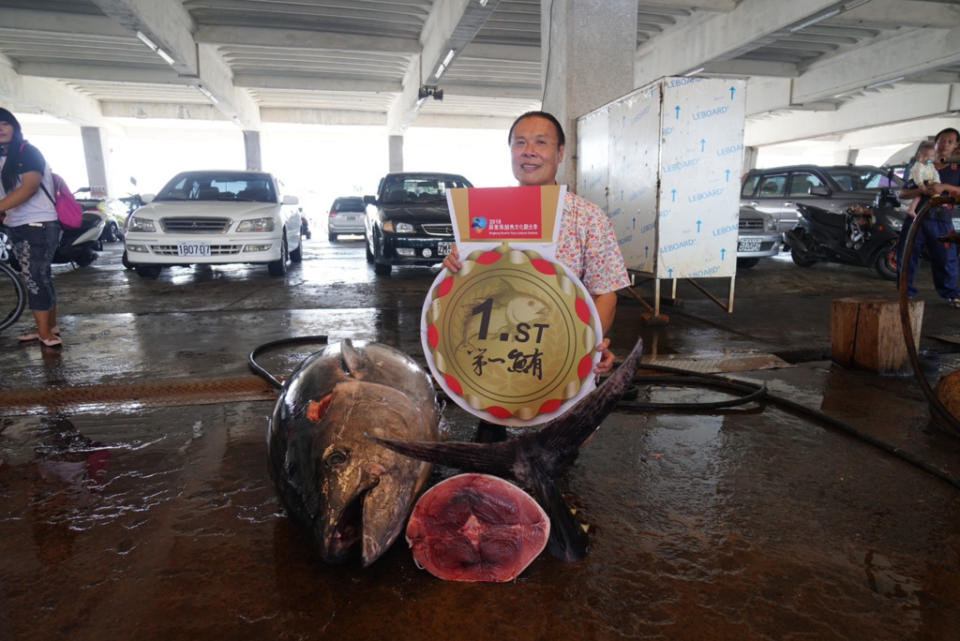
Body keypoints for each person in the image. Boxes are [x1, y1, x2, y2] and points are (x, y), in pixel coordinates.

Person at [443, 110, 631, 375]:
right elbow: (470, 291)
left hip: (561, 361)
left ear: (560, 153)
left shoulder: (588, 218)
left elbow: (605, 292)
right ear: (510, 151)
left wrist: (587, 345)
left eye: (541, 142)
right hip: (495, 366)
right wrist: (456, 266)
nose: (529, 151)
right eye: (520, 143)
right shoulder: (485, 214)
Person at [0, 107, 63, 347]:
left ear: (14, 127)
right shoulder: (3, 157)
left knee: (35, 278)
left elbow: (29, 188)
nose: (0, 129)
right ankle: (49, 327)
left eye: (4, 123)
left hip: (38, 224)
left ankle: (46, 334)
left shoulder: (27, 152)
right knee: (42, 277)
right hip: (18, 224)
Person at [896, 127, 960, 307]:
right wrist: (920, 190)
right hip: (916, 219)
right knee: (907, 256)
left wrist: (944, 187)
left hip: (942, 219)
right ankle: (905, 293)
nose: (944, 145)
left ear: (956, 146)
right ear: (936, 143)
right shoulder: (920, 165)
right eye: (941, 141)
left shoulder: (957, 169)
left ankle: (951, 294)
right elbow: (903, 193)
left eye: (950, 142)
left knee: (947, 258)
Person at [905, 141, 939, 218]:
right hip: (916, 182)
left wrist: (937, 181)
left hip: (926, 182)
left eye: (932, 156)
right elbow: (917, 175)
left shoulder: (930, 165)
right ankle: (911, 208)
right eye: (925, 156)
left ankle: (938, 200)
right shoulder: (919, 165)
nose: (929, 158)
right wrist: (921, 184)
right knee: (918, 195)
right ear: (918, 157)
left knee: (932, 192)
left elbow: (935, 173)